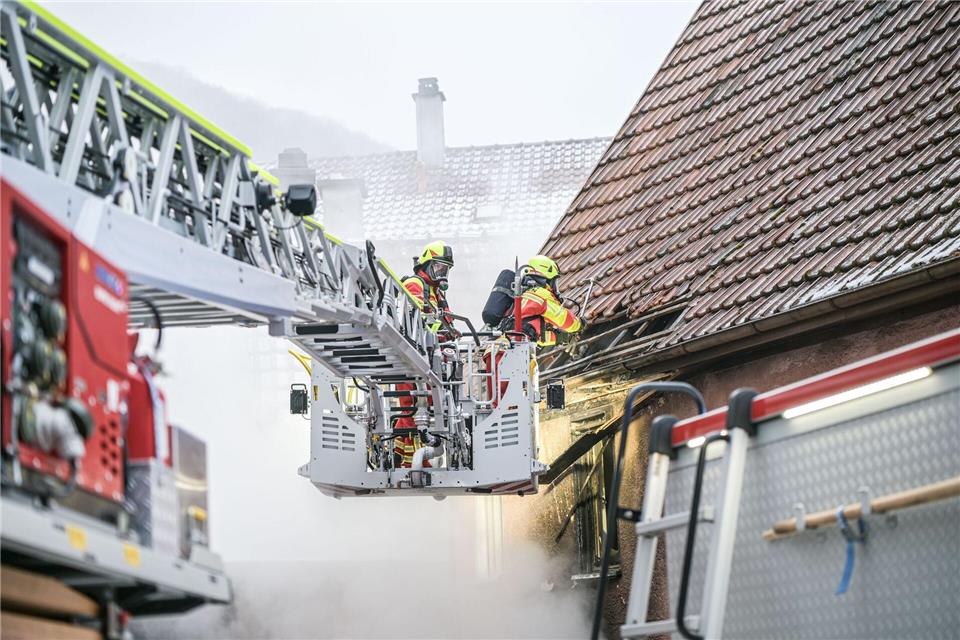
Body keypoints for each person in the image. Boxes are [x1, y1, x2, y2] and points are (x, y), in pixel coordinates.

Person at [393, 241, 456, 467]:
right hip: (409, 356)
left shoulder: (437, 293)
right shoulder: (415, 284)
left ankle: (403, 454)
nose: (442, 273)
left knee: (423, 405)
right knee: (413, 405)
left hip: (426, 357)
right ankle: (410, 460)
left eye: (446, 269)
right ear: (427, 264)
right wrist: (441, 331)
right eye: (439, 268)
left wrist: (450, 333)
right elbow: (417, 317)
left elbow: (445, 320)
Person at [512, 255, 582, 346]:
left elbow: (537, 335)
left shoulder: (521, 295)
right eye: (554, 281)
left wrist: (561, 337)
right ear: (547, 279)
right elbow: (563, 317)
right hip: (515, 350)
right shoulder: (540, 293)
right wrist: (579, 324)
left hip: (499, 349)